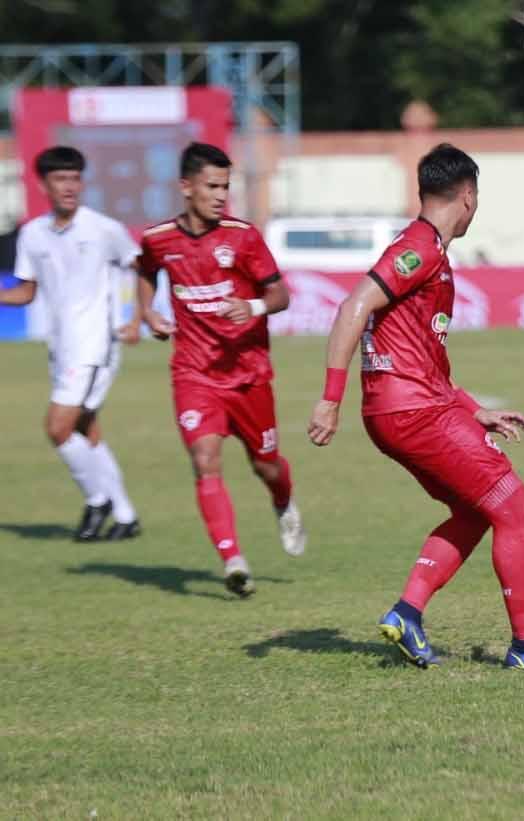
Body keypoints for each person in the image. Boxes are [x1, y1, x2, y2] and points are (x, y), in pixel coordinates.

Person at [307, 143, 524, 672]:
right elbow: (353, 306)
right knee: (513, 504)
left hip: (412, 407)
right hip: (411, 411)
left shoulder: (428, 249)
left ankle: (408, 613)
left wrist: (471, 408)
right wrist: (329, 399)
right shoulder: (419, 249)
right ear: (467, 195)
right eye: (476, 198)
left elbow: (423, 357)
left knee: (476, 510)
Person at [135, 142, 306, 598]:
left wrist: (250, 306)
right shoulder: (158, 240)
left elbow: (281, 296)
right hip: (194, 374)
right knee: (205, 461)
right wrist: (148, 313)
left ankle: (284, 502)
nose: (220, 195)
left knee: (266, 467)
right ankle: (233, 560)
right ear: (186, 187)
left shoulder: (243, 236)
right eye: (212, 186)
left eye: (225, 187)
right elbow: (145, 271)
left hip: (248, 375)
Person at [0, 146, 142, 540]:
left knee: (57, 427)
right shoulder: (32, 233)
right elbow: (26, 292)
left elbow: (144, 266)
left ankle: (98, 500)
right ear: (43, 183)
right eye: (61, 179)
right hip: (61, 345)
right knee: (84, 429)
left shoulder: (102, 228)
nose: (70, 186)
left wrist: (137, 318)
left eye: (75, 178)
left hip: (96, 344)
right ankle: (127, 516)